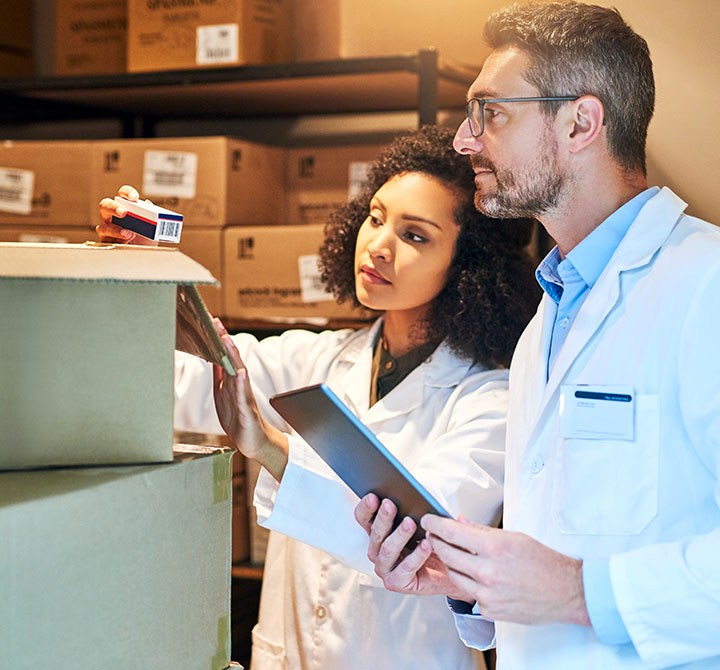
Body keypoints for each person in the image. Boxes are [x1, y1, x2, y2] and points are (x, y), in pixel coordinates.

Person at [354, 3, 720, 669]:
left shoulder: (707, 285)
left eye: (490, 113)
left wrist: (577, 591)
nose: (465, 141)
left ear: (580, 122)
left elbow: (568, 584)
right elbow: (551, 555)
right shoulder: (546, 320)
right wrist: (467, 583)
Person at [96, 125, 539, 670]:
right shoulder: (321, 359)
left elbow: (414, 540)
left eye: (415, 235)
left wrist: (272, 448)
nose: (377, 245)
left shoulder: (489, 399)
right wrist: (141, 272)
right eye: (376, 218)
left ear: (468, 266)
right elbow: (189, 379)